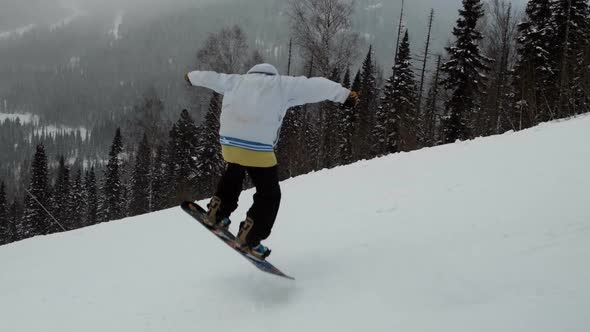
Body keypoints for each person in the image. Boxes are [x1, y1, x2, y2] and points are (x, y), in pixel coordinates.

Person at [184, 63, 359, 260]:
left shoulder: (236, 81)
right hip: (258, 148)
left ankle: (217, 211)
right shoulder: (282, 85)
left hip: (229, 144)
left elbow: (210, 77)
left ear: (252, 72)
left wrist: (191, 76)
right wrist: (345, 95)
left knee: (234, 171)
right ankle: (250, 235)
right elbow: (317, 86)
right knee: (269, 194)